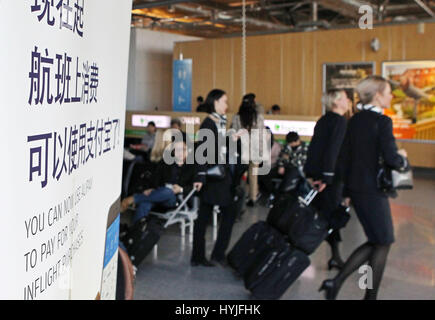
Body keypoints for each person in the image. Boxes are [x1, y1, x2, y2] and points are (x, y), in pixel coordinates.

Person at [319, 75, 408, 300]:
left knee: (378, 241)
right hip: (372, 191)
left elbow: (344, 159)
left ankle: (350, 288)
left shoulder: (355, 120)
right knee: (383, 241)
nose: (391, 96)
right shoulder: (382, 122)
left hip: (358, 190)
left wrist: (347, 193)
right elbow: (391, 158)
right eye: (388, 92)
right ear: (378, 95)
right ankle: (355, 290)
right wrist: (403, 158)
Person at [304, 89, 350, 271]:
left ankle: (335, 255)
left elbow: (315, 148)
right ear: (337, 101)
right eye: (346, 98)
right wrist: (327, 177)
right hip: (331, 178)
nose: (348, 102)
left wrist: (312, 174)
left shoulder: (323, 120)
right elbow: (333, 150)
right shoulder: (340, 122)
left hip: (319, 175)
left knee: (323, 214)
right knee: (329, 216)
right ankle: (334, 256)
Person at [191, 89, 238, 267]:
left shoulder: (216, 123)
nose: (227, 105)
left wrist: (231, 138)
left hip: (215, 177)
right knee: (226, 213)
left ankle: (200, 256)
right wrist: (200, 176)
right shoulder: (208, 124)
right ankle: (215, 254)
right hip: (214, 178)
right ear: (216, 102)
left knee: (203, 217)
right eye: (224, 101)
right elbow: (202, 151)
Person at [121, 133, 202, 224]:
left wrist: (181, 189)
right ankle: (135, 233)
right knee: (145, 204)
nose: (180, 153)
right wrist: (151, 188)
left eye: (183, 149)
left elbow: (196, 187)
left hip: (175, 199)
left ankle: (134, 198)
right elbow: (155, 178)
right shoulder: (166, 162)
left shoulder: (193, 166)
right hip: (158, 193)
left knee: (168, 191)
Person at [231, 93, 265, 207]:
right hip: (254, 149)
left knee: (241, 175)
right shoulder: (258, 117)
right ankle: (253, 198)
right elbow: (261, 135)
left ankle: (240, 197)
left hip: (241, 149)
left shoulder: (237, 117)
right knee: (253, 175)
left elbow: (234, 133)